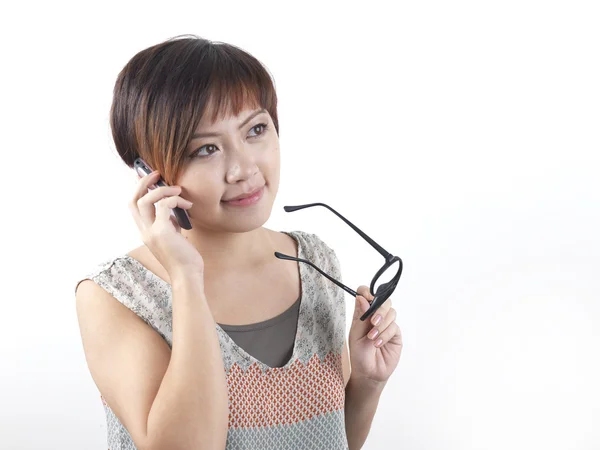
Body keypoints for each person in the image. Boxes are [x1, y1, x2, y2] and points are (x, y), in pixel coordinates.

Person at [74, 34, 402, 450]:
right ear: (149, 174)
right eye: (206, 148)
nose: (243, 168)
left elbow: (330, 442)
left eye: (256, 130)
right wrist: (185, 277)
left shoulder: (315, 263)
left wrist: (368, 383)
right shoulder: (116, 296)